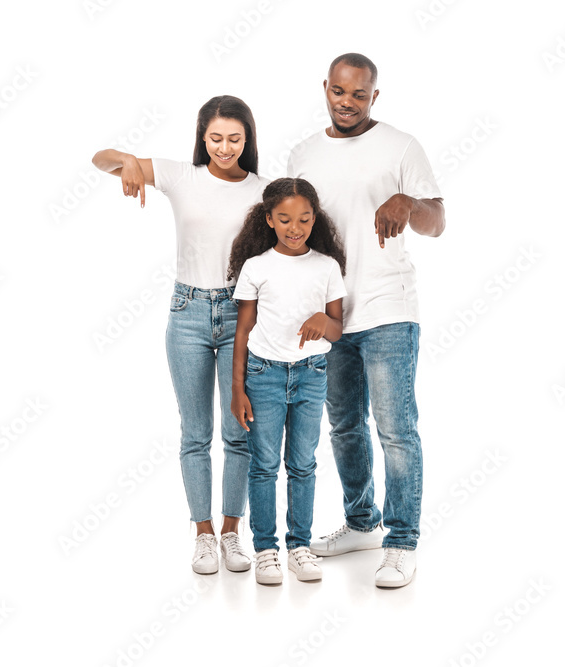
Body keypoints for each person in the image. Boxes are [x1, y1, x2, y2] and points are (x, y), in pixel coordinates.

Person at [287, 53, 446, 588]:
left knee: (396, 429)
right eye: (338, 91)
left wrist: (407, 202)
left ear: (374, 96)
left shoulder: (401, 146)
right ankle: (361, 523)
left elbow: (438, 222)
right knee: (345, 425)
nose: (347, 102)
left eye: (359, 94)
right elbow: (292, 232)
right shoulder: (303, 153)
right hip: (330, 315)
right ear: (325, 89)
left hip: (387, 309)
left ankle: (402, 541)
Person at [91, 96, 267, 575]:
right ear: (201, 138)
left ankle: (233, 533)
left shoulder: (264, 190)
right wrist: (128, 161)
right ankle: (203, 535)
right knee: (195, 434)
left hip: (240, 314)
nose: (225, 147)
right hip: (187, 311)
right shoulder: (180, 176)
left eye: (234, 138)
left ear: (247, 139)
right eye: (215, 138)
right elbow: (99, 159)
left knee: (238, 431)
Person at [228, 178, 347, 585]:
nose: (295, 228)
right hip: (263, 375)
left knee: (303, 464)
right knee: (263, 466)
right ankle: (266, 550)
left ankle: (299, 546)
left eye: (304, 219)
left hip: (311, 376)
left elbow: (337, 329)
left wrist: (323, 321)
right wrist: (237, 389)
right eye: (284, 219)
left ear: (316, 219)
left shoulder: (327, 267)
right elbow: (242, 331)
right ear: (269, 220)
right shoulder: (257, 266)